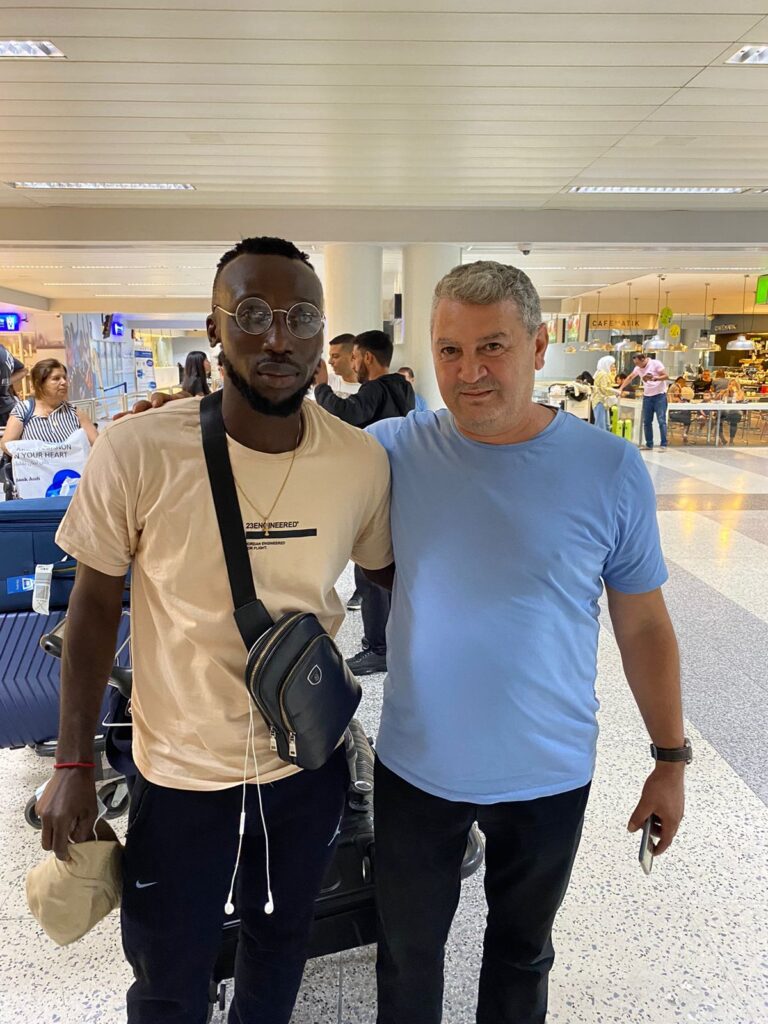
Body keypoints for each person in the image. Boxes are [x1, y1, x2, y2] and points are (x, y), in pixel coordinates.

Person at [36, 236, 394, 1024]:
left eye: (302, 317)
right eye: (254, 314)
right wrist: (73, 761)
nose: (279, 338)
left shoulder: (360, 462)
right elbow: (91, 609)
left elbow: (394, 578)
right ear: (215, 328)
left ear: (323, 331)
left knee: (281, 946)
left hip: (303, 765)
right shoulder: (138, 450)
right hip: (179, 773)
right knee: (168, 969)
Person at [368, 261, 687, 1024]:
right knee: (406, 956)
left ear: (539, 347)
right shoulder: (390, 451)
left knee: (521, 956)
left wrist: (670, 760)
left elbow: (643, 623)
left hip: (549, 770)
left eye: (493, 347)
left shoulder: (609, 469)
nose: (469, 372)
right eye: (450, 351)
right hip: (417, 767)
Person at [315, 331, 414, 676]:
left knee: (369, 572)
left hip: (375, 491)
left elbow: (347, 414)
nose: (352, 364)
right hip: (398, 489)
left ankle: (378, 648)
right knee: (385, 570)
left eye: (354, 357)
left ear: (368, 357)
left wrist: (322, 387)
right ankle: (389, 642)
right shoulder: (402, 388)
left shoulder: (375, 389)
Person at [1, 358, 98, 454]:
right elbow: (6, 445)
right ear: (39, 384)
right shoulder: (23, 410)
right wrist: (32, 457)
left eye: (64, 378)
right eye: (56, 378)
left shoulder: (75, 412)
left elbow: (98, 444)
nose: (64, 382)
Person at [618, 351, 670, 450]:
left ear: (643, 359)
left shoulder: (655, 363)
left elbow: (666, 376)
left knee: (661, 420)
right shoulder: (638, 368)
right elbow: (630, 377)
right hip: (647, 397)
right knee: (647, 421)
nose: (637, 365)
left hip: (659, 396)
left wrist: (655, 378)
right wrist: (621, 388)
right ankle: (649, 444)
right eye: (635, 364)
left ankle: (663, 444)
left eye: (638, 363)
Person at [0, 342, 26, 429]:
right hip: (7, 408)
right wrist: (5, 382)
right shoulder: (2, 351)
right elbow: (23, 370)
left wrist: (5, 382)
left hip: (4, 410)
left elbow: (23, 370)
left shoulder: (2, 353)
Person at [327, 333, 361, 397]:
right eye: (330, 356)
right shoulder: (327, 381)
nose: (330, 361)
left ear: (353, 357)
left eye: (335, 356)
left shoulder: (369, 389)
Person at [591, 355, 616, 431]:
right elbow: (604, 389)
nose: (613, 367)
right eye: (612, 364)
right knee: (601, 425)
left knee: (604, 424)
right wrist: (616, 392)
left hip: (600, 401)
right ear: (607, 364)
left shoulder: (600, 373)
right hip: (600, 401)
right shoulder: (604, 374)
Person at [668, 376, 694, 444]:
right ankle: (685, 434)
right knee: (688, 416)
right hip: (673, 413)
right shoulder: (672, 396)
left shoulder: (679, 397)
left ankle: (685, 433)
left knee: (688, 413)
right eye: (676, 391)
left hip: (680, 412)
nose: (678, 392)